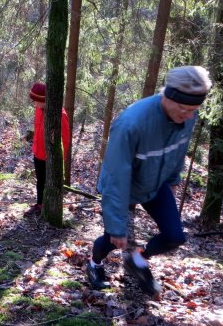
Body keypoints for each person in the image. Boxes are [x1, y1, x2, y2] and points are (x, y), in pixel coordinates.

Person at [87, 66, 212, 296]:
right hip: (124, 186)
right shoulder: (131, 124)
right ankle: (95, 264)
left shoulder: (186, 117)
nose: (190, 116)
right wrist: (117, 226)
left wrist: (173, 181)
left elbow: (178, 151)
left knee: (174, 236)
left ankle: (137, 259)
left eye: (194, 110)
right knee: (114, 239)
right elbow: (116, 175)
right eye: (185, 108)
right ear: (168, 96)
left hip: (155, 182)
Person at [24, 82, 70, 216]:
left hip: (50, 157)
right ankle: (40, 204)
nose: (34, 104)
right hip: (37, 152)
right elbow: (37, 128)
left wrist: (61, 159)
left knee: (48, 183)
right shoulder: (39, 109)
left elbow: (65, 139)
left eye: (36, 101)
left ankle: (48, 207)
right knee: (40, 181)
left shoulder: (59, 115)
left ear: (44, 100)